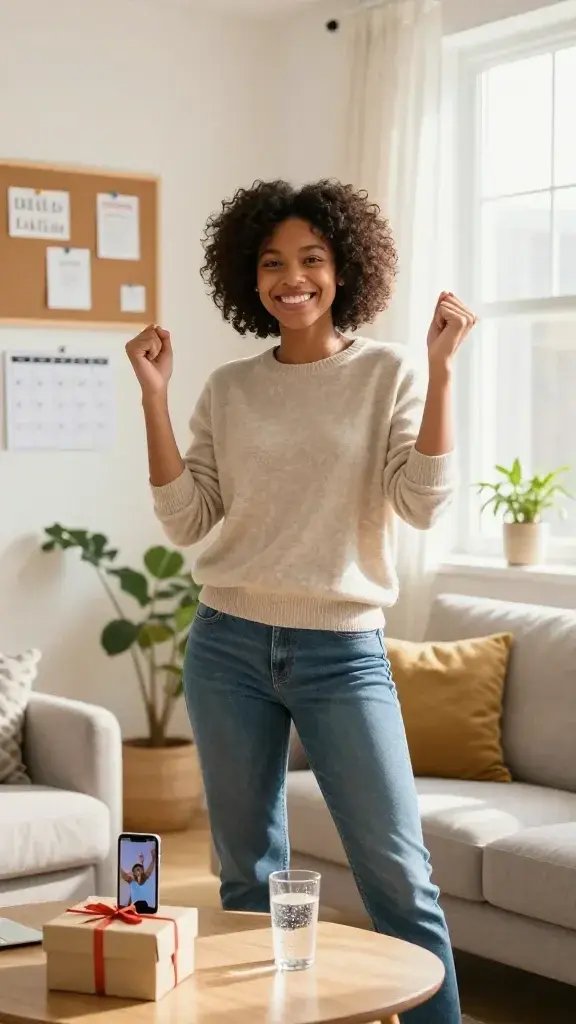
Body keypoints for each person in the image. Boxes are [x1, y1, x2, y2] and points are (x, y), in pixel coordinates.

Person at [126, 179, 476, 1023]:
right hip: (227, 645)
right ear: (249, 279)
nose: (293, 279)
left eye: (311, 259)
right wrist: (154, 398)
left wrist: (440, 373)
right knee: (247, 877)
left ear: (343, 269)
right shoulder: (229, 387)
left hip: (342, 652)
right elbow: (188, 518)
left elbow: (422, 504)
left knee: (399, 876)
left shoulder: (387, 371)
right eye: (272, 263)